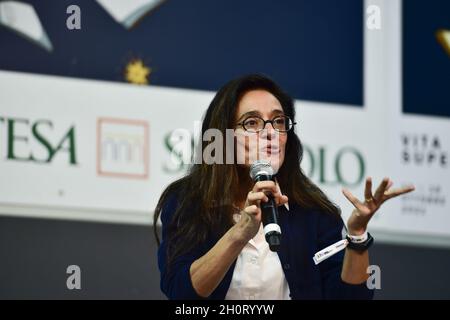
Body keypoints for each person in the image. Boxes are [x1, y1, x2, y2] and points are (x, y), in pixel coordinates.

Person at [153, 74, 415, 300]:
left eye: (279, 122)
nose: (270, 133)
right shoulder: (187, 202)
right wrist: (240, 233)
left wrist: (357, 236)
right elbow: (181, 293)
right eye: (252, 123)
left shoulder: (314, 212)